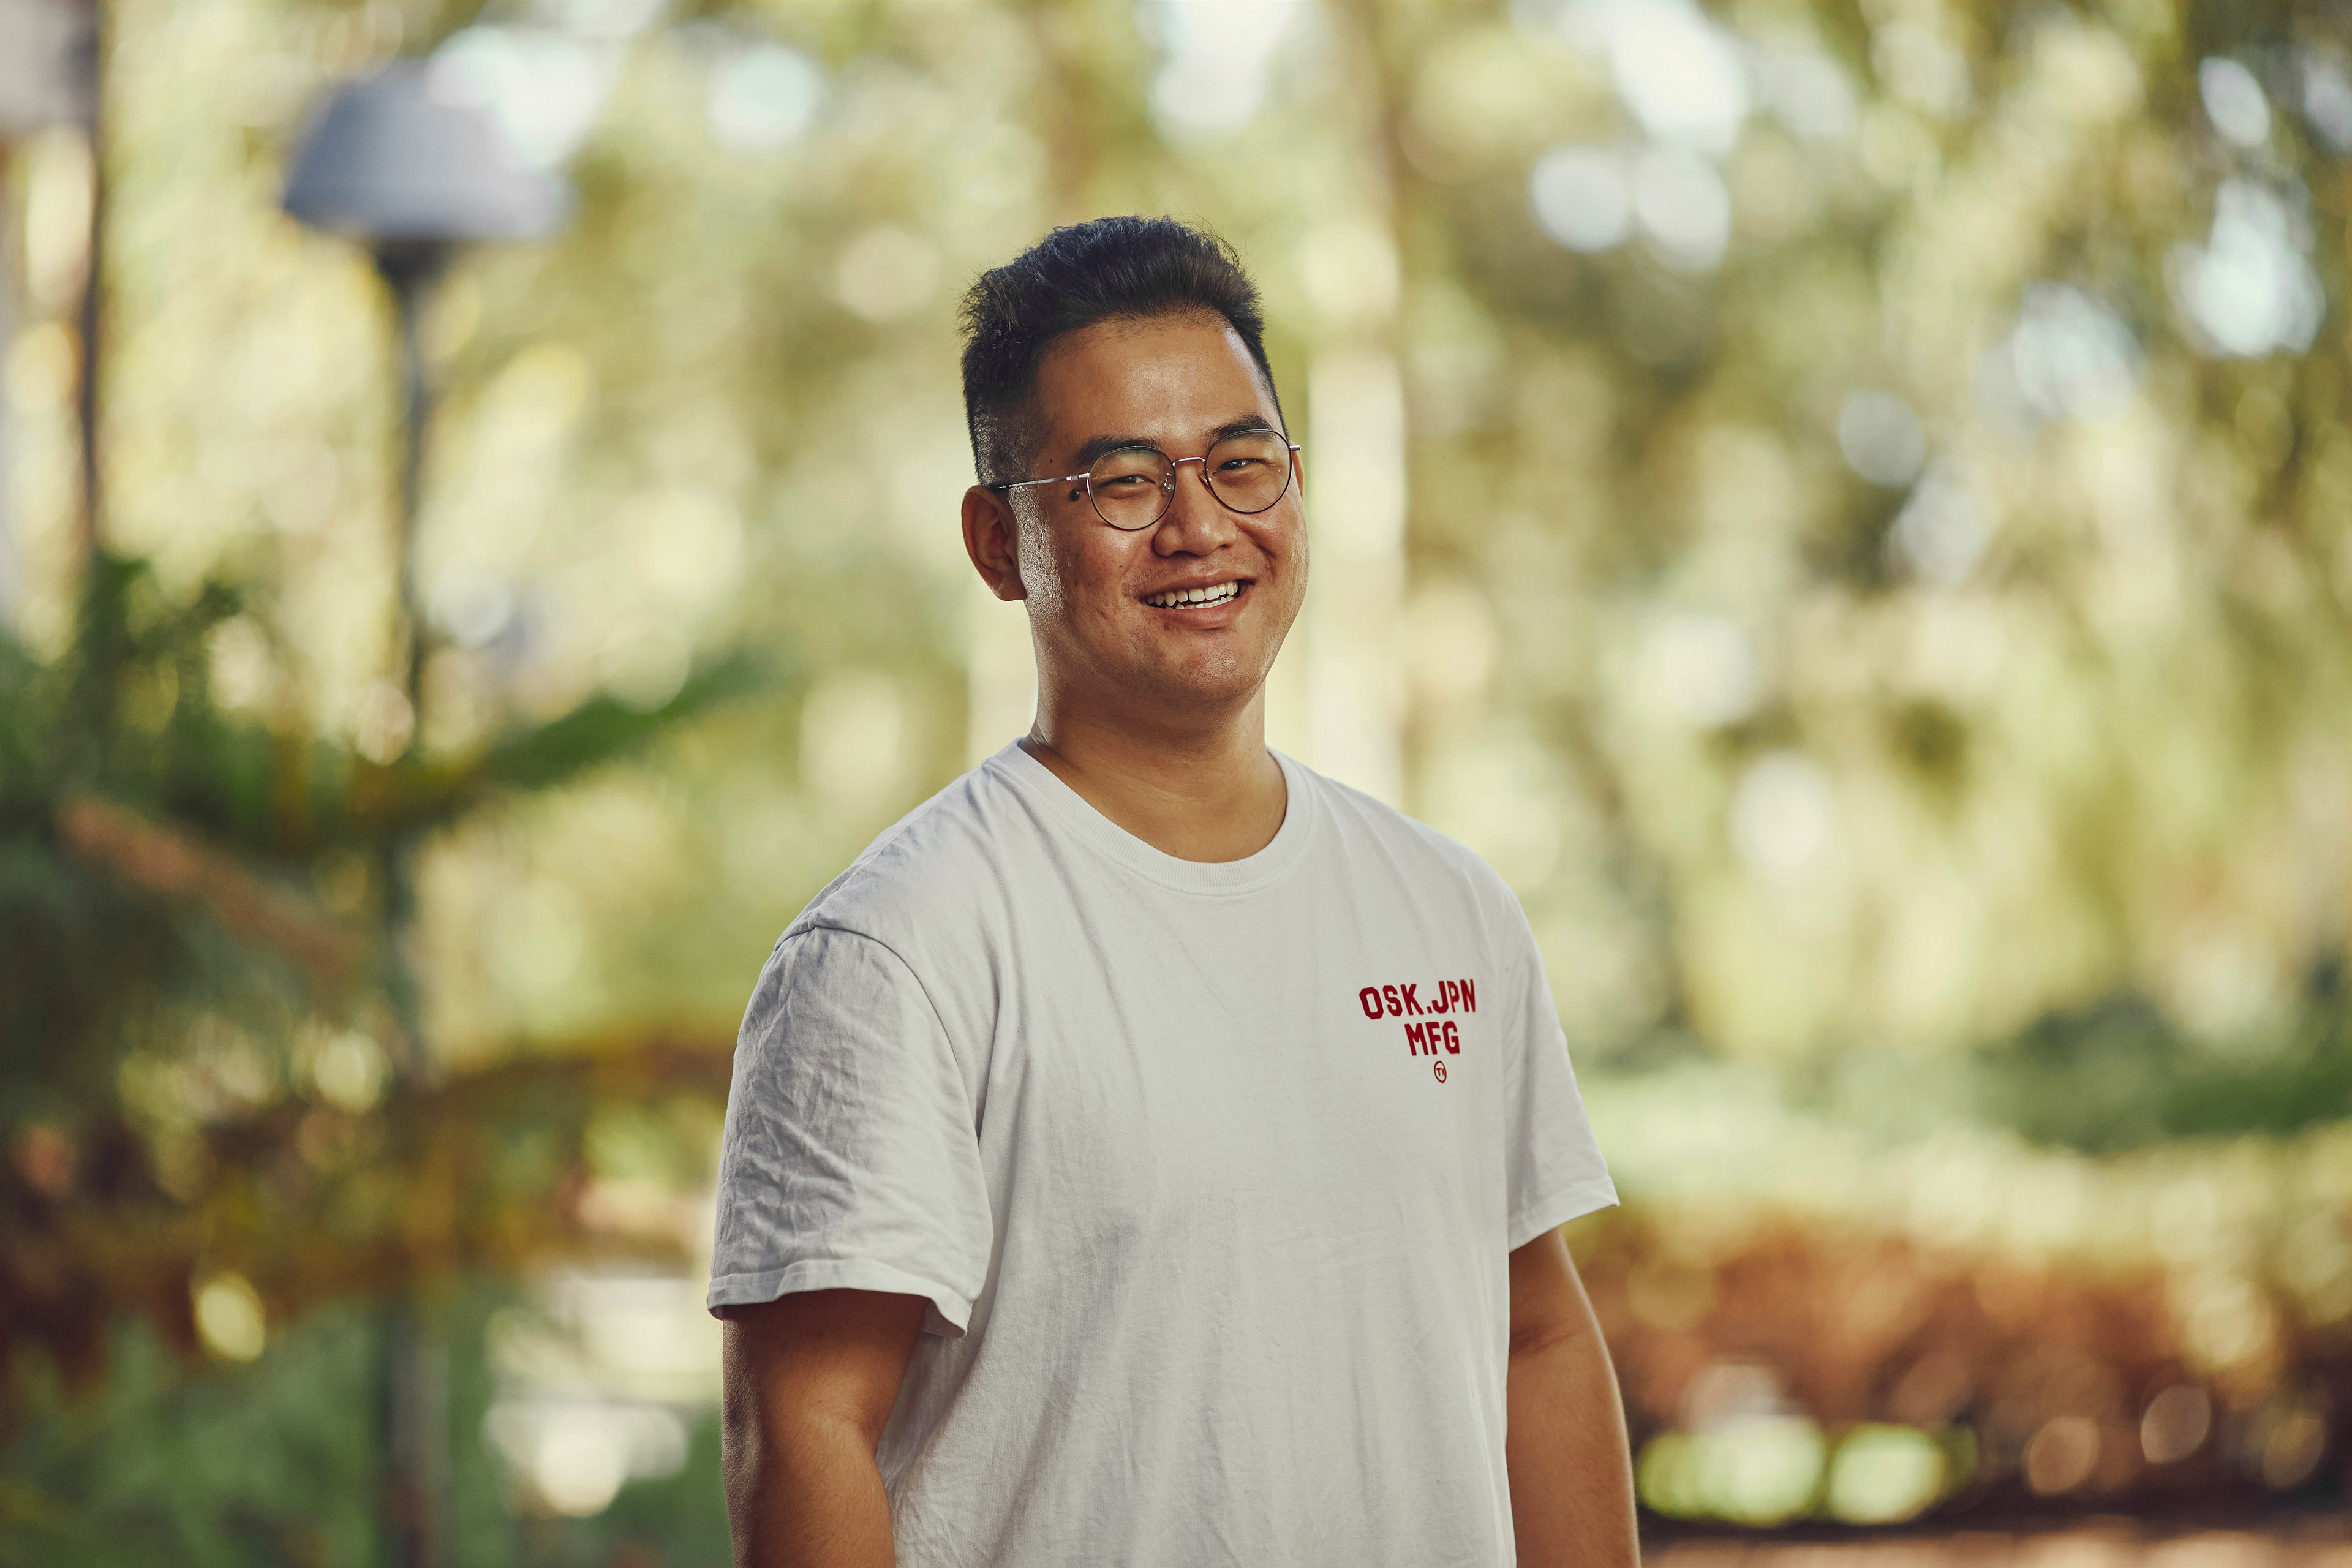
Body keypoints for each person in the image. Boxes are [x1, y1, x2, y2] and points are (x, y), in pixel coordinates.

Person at [709, 216, 1637, 1568]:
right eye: (1123, 483)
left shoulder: (1452, 910)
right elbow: (802, 1426)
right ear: (998, 541)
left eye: (1242, 463)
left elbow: (1538, 1336)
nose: (1200, 527)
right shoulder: (898, 950)